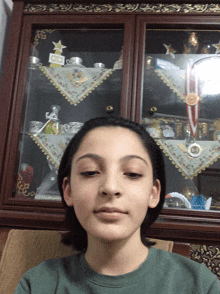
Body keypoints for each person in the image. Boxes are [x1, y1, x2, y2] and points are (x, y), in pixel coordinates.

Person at [15, 116, 220, 293]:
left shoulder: (199, 285)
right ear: (68, 190)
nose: (111, 187)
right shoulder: (38, 284)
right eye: (90, 172)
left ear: (153, 193)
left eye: (132, 173)